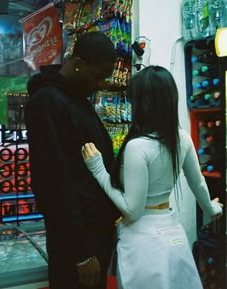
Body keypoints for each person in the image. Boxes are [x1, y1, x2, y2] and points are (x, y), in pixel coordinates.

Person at [81, 65, 223, 289]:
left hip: (143, 242)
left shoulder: (138, 146)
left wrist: (98, 170)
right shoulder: (181, 137)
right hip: (172, 233)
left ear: (143, 102)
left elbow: (132, 210)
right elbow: (198, 183)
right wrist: (212, 208)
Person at [24, 31, 121, 289]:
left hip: (93, 235)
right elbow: (53, 183)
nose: (102, 84)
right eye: (98, 75)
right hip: (76, 246)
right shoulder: (47, 101)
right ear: (78, 64)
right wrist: (82, 253)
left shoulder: (76, 99)